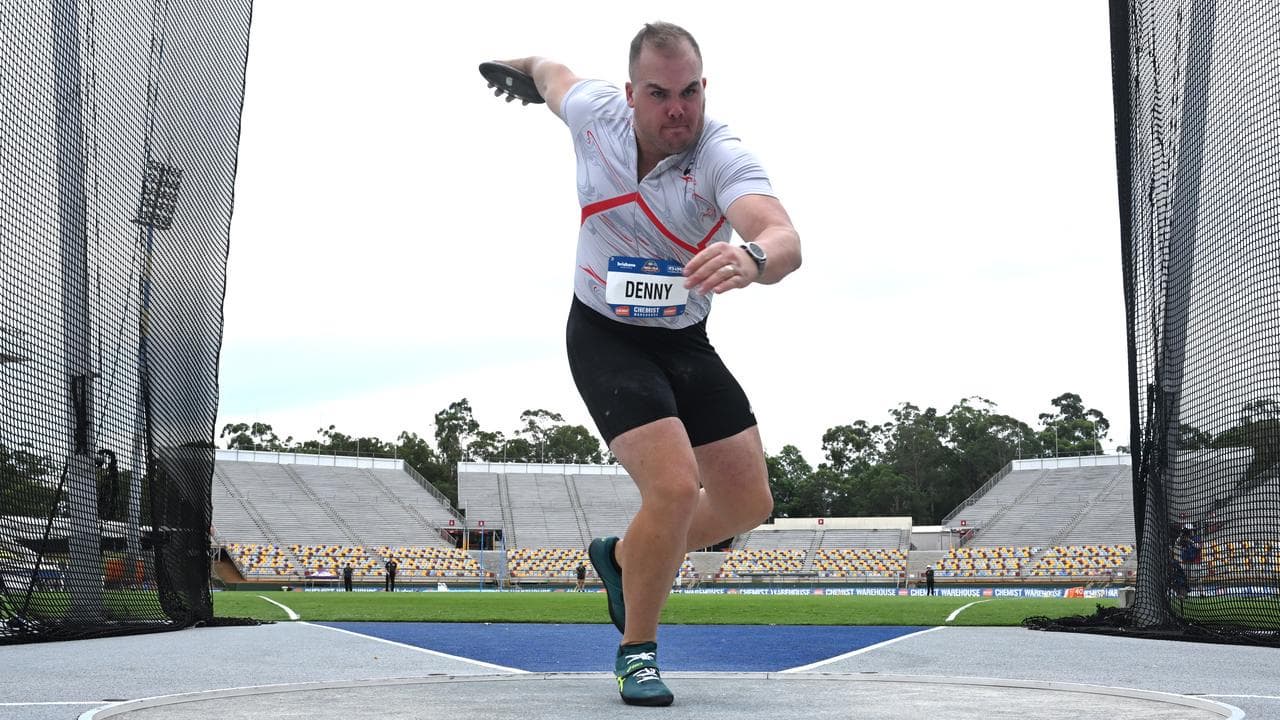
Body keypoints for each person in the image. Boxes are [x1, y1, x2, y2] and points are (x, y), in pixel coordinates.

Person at [490, 20, 801, 707]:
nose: (677, 110)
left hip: (682, 339)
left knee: (750, 502)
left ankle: (624, 556)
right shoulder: (593, 113)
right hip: (605, 334)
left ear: (704, 88)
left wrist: (752, 257)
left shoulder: (719, 155)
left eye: (690, 92)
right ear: (630, 94)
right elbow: (549, 72)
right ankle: (637, 651)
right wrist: (516, 67)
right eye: (659, 94)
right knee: (674, 488)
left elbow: (783, 235)